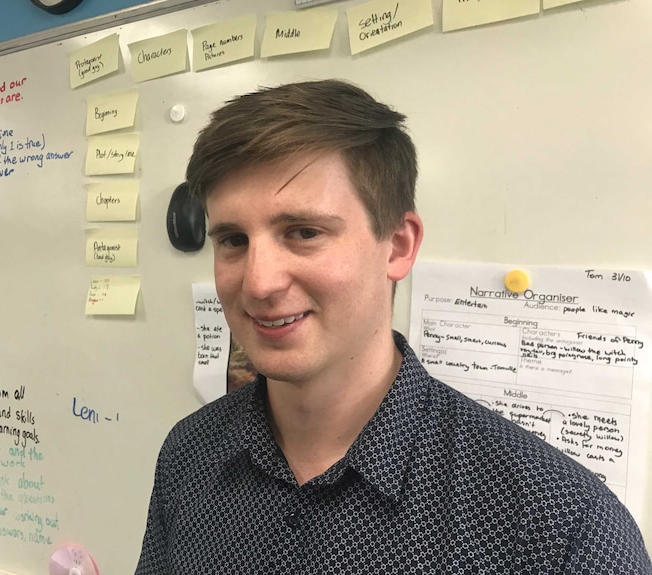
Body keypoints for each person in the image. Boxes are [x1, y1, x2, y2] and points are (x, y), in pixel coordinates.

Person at [135, 79, 652, 574]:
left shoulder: (562, 528)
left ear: (399, 245)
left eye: (304, 232)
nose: (259, 282)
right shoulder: (191, 455)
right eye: (233, 240)